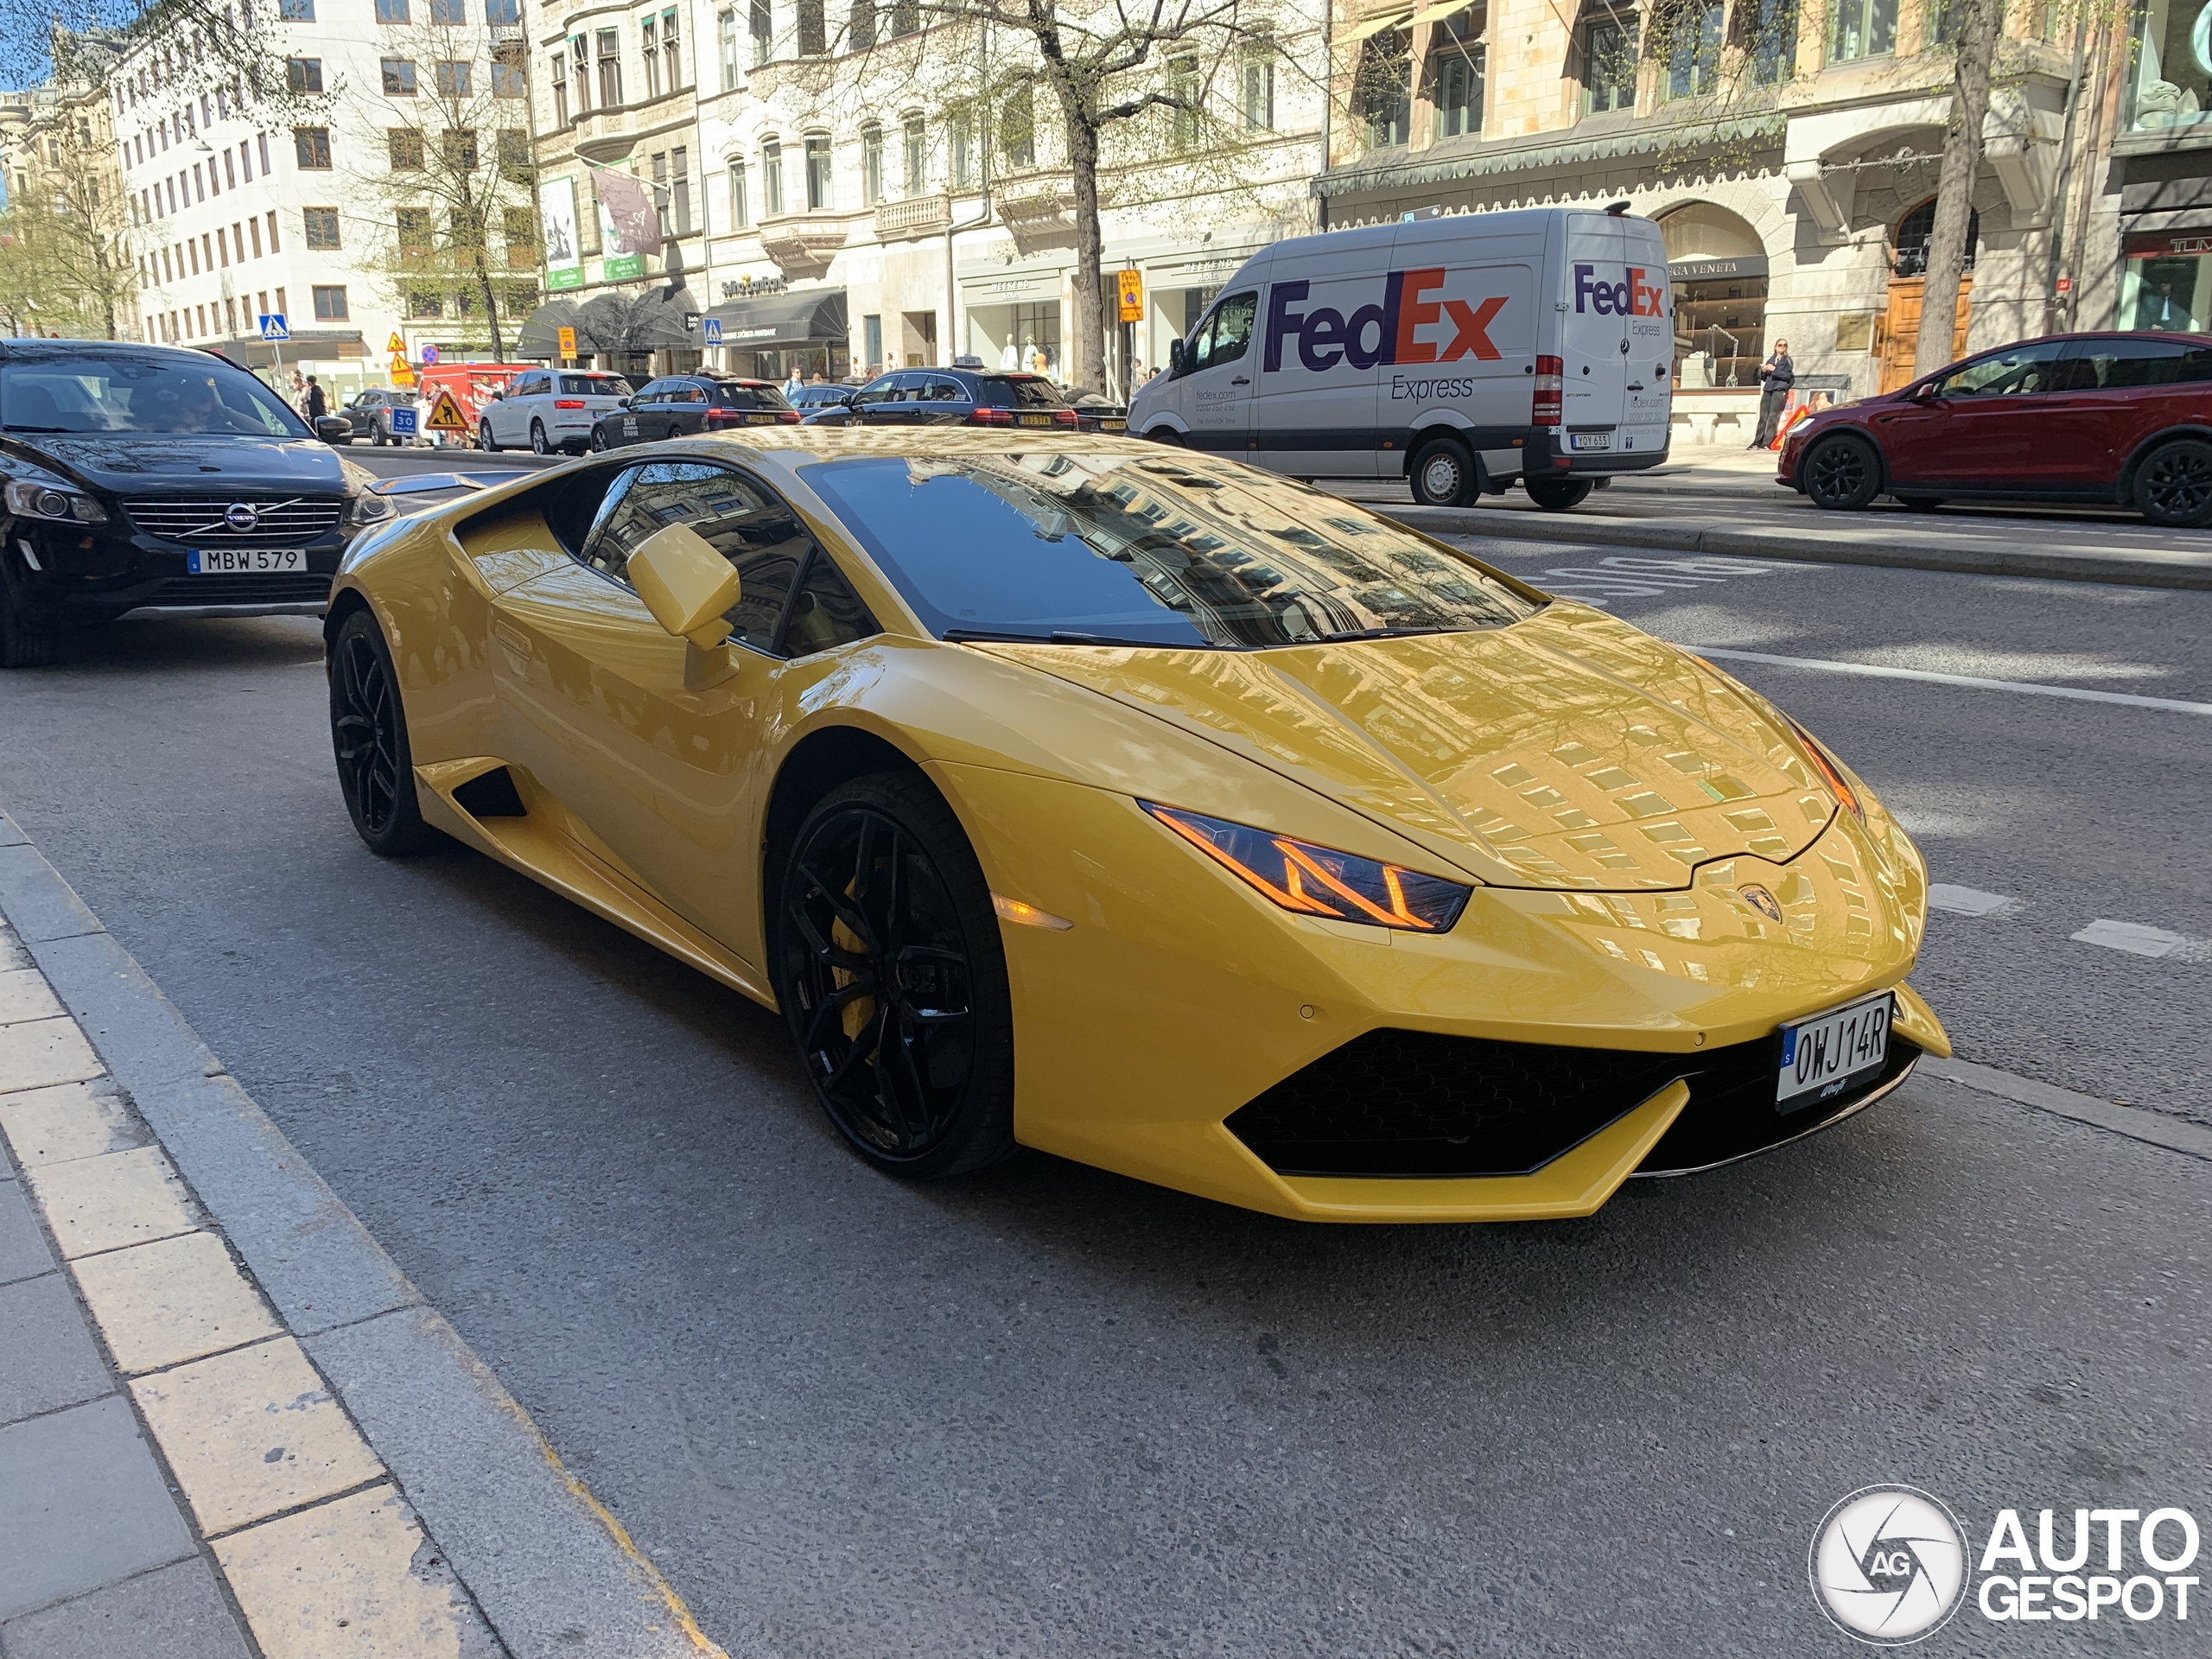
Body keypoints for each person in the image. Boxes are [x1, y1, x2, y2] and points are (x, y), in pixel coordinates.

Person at [1752, 338, 1792, 448]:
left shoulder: (1787, 361)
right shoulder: (1771, 360)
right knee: (1763, 416)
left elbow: (1787, 376)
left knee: (1772, 417)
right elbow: (1764, 378)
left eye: (1784, 345)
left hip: (1779, 390)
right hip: (1768, 389)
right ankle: (1757, 442)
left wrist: (1774, 370)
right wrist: (1763, 371)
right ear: (1775, 347)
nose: (1782, 347)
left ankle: (1766, 443)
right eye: (1780, 345)